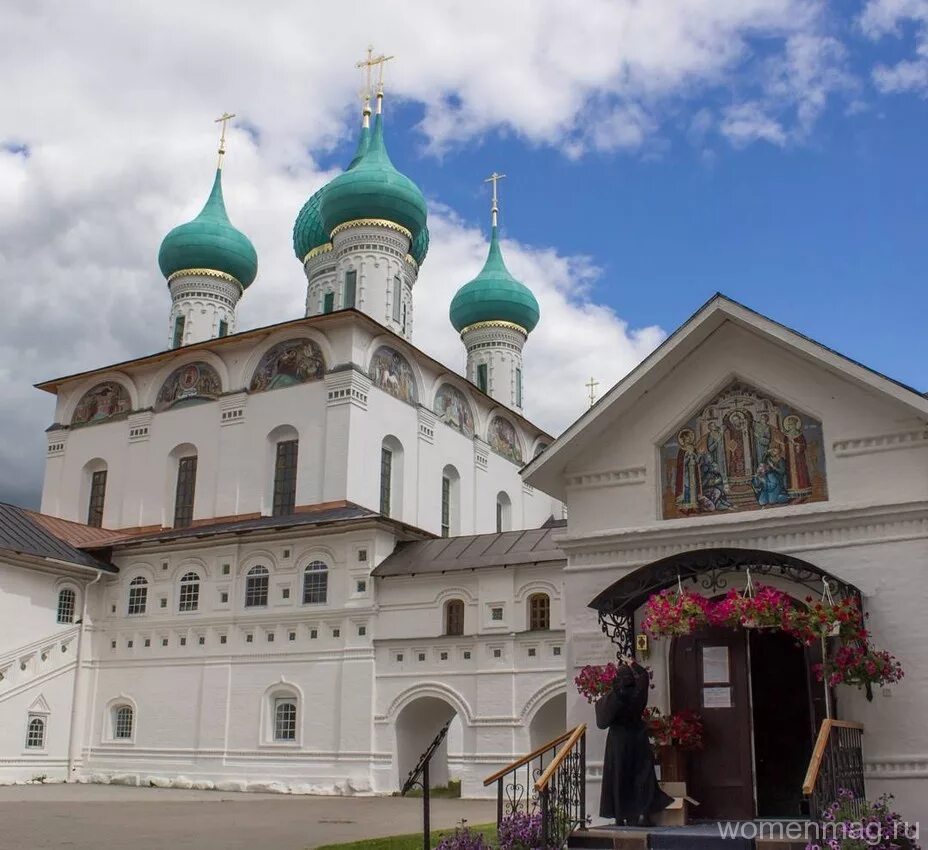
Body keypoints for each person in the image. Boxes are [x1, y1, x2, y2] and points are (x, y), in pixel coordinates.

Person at [596, 659, 672, 826]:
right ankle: (643, 814)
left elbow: (601, 722)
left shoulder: (614, 696)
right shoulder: (638, 692)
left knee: (619, 775)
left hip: (618, 742)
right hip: (638, 738)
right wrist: (633, 663)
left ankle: (619, 816)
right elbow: (644, 675)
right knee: (642, 775)